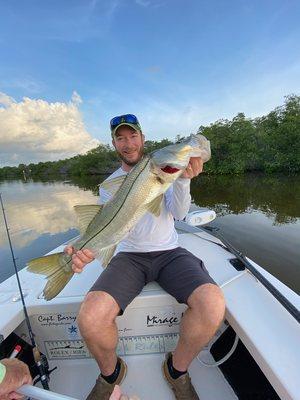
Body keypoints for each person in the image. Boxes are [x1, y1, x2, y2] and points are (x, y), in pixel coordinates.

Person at [65, 114, 226, 400]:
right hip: (129, 257)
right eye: (121, 138)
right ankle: (111, 374)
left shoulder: (166, 171)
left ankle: (176, 371)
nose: (128, 143)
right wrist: (87, 248)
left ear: (143, 138)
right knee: (90, 317)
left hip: (169, 252)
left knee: (212, 304)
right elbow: (110, 228)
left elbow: (178, 214)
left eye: (132, 136)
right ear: (114, 143)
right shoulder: (108, 185)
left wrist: (183, 180)